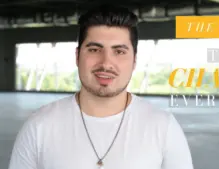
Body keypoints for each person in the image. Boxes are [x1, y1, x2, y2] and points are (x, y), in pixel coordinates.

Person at [8, 4, 194, 169]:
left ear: (135, 61)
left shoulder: (164, 127)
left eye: (119, 51)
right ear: (77, 56)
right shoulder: (39, 126)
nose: (106, 63)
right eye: (94, 50)